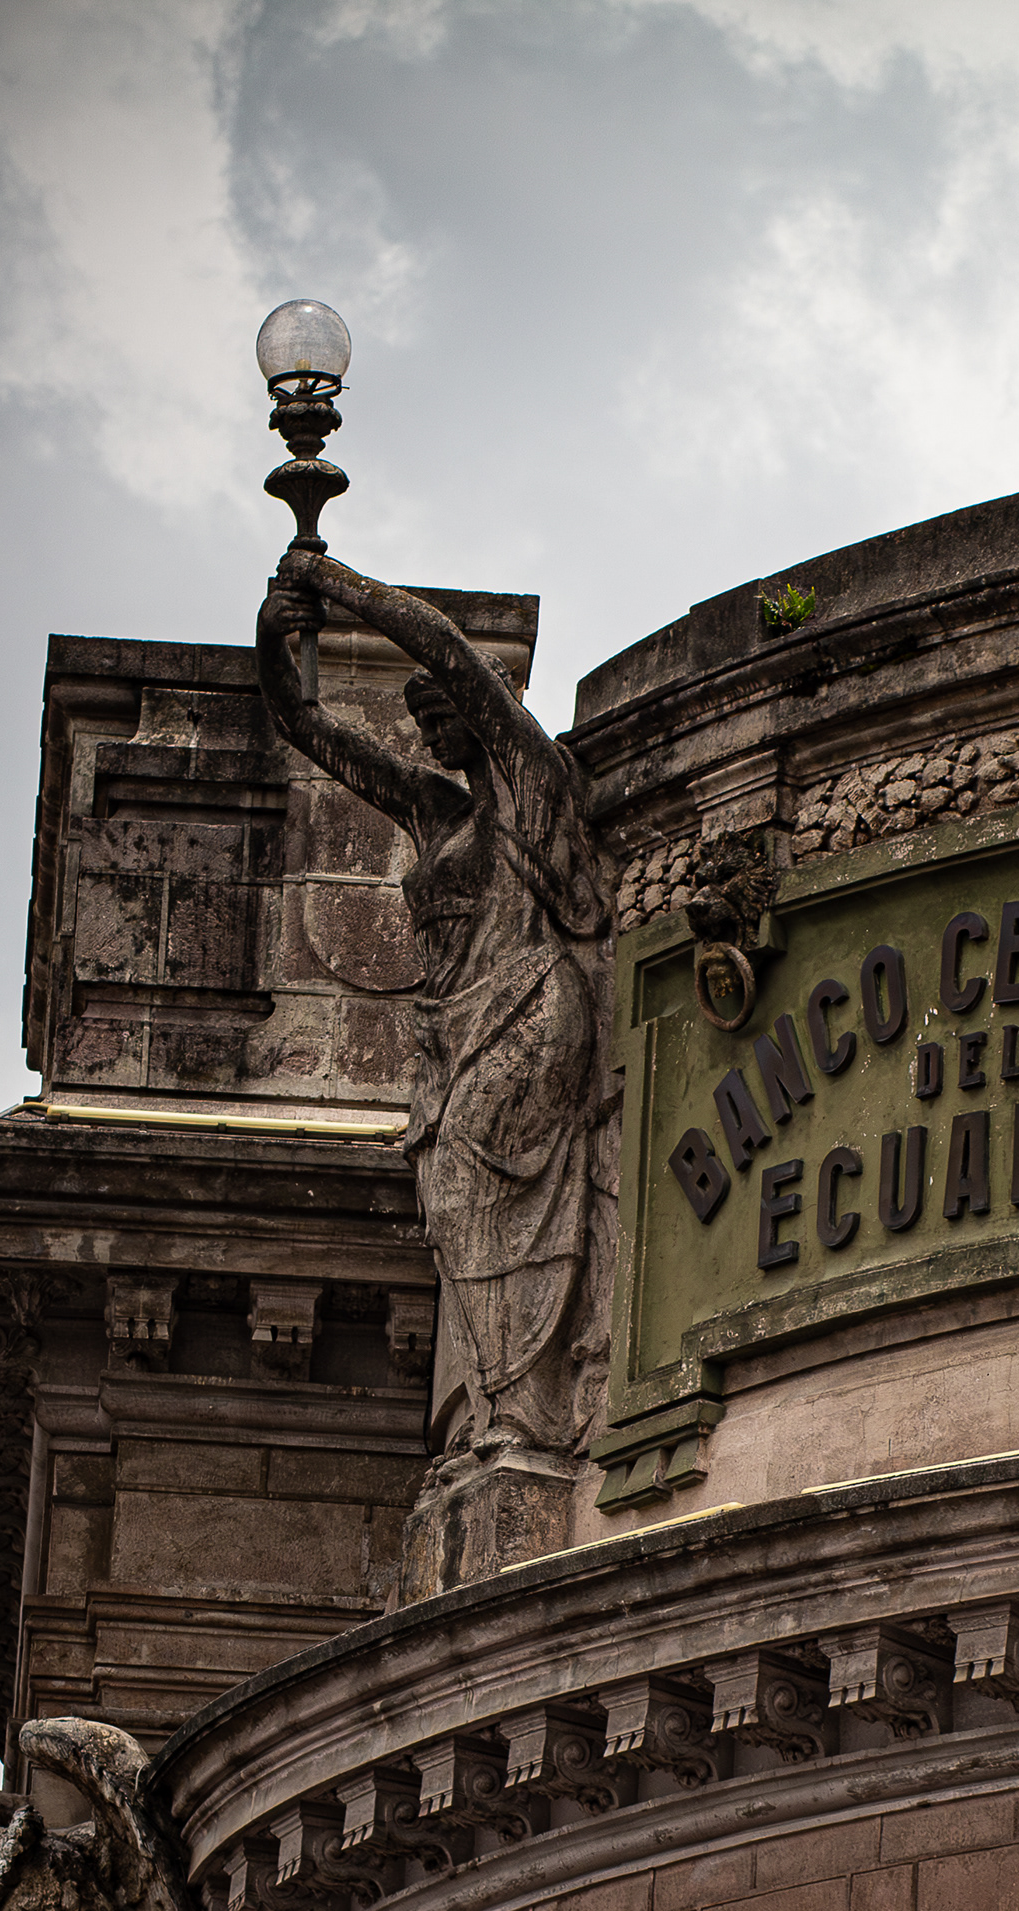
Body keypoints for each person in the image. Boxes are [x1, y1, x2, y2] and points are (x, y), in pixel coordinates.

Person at [258, 553, 615, 1473]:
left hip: (534, 1007)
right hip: (456, 1033)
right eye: (422, 721)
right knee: (456, 1210)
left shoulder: (536, 791)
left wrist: (335, 584)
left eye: (445, 711)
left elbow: (450, 651)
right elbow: (306, 726)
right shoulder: (433, 810)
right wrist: (278, 638)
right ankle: (507, 1403)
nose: (432, 732)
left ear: (484, 710)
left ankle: (527, 1409)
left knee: (473, 1188)